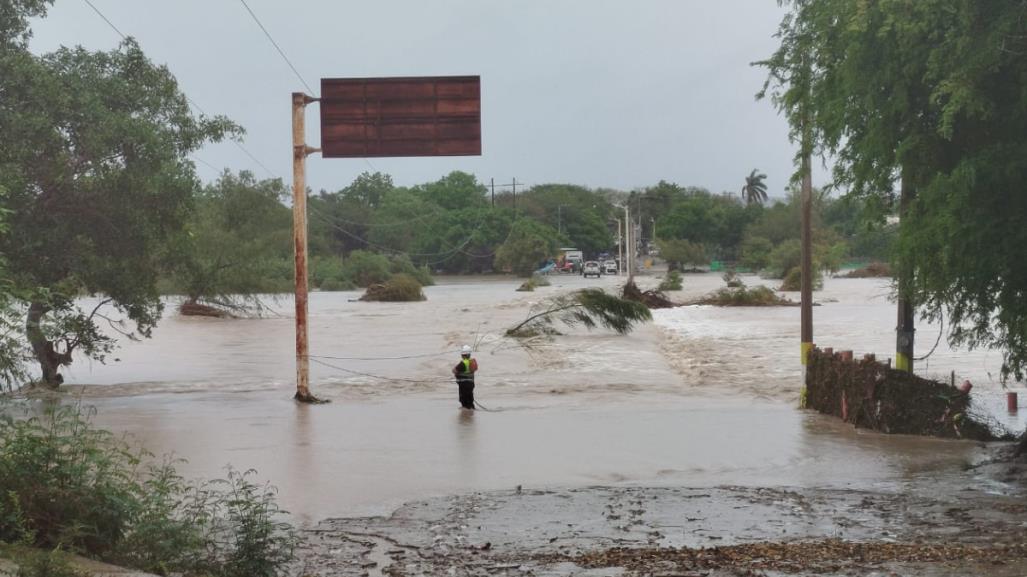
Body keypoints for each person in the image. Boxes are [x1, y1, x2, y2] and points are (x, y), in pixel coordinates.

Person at [452, 345, 478, 409]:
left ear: (463, 355)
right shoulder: (472, 362)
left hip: (463, 385)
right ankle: (471, 409)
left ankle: (466, 411)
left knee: (463, 399)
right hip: (471, 384)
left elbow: (454, 370)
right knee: (470, 398)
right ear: (469, 354)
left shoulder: (463, 363)